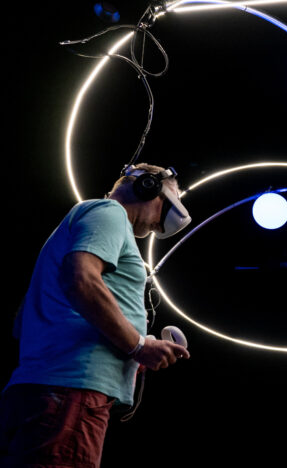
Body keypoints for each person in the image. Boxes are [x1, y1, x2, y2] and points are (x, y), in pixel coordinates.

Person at [0, 163, 192, 467]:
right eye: (164, 209)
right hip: (72, 392)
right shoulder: (110, 213)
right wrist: (137, 345)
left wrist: (124, 346)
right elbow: (81, 280)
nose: (159, 226)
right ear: (148, 188)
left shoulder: (84, 220)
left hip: (44, 390)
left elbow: (22, 323)